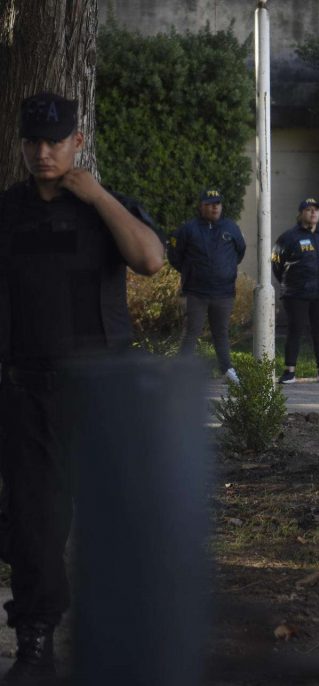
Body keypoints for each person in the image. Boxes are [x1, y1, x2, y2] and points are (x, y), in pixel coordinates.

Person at [0, 92, 165, 681]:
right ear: (22, 145)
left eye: (56, 142)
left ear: (78, 142)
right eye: (34, 142)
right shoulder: (9, 211)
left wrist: (96, 195)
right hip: (26, 393)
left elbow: (150, 260)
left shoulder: (105, 207)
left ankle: (121, 638)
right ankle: (36, 640)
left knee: (110, 517)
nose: (44, 153)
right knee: (34, 525)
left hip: (97, 394)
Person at [167, 188, 246, 384]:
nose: (215, 207)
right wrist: (192, 272)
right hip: (197, 292)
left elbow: (240, 251)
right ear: (201, 206)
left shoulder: (231, 227)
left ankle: (227, 369)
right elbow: (175, 256)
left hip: (223, 292)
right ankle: (181, 371)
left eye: (217, 204)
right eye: (210, 204)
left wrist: (225, 270)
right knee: (191, 331)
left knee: (221, 333)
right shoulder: (189, 229)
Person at [271, 198, 319, 384]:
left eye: (316, 210)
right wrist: (291, 283)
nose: (313, 213)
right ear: (301, 213)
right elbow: (277, 265)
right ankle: (289, 370)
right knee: (295, 330)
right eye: (309, 210)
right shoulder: (288, 238)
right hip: (296, 294)